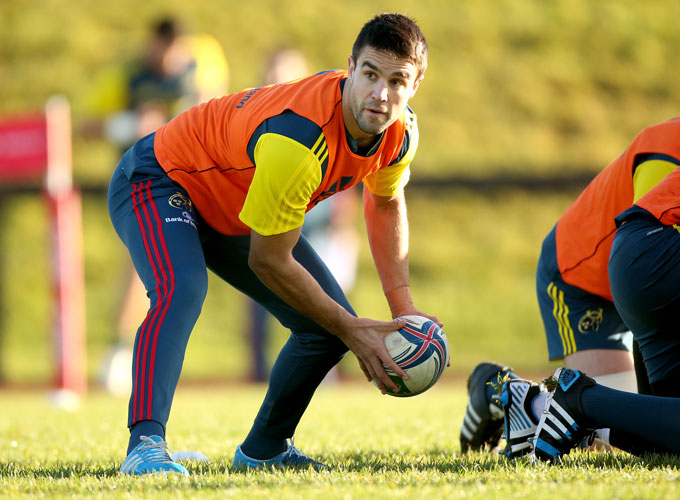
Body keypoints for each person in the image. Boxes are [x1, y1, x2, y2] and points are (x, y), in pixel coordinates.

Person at [110, 13, 438, 475]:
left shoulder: (401, 133)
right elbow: (268, 259)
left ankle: (264, 449)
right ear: (350, 67)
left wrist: (402, 308)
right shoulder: (298, 140)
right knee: (182, 290)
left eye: (397, 80)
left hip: (234, 202)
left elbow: (384, 204)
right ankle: (145, 446)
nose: (380, 94)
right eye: (369, 74)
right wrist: (353, 327)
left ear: (416, 85)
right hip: (159, 177)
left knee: (324, 328)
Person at [462, 117, 680, 460]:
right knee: (599, 433)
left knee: (649, 431)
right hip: (579, 278)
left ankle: (523, 399)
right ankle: (497, 390)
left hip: (636, 278)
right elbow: (651, 245)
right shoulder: (667, 145)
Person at [82, 16, 229, 395]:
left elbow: (215, 103)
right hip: (145, 183)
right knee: (142, 270)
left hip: (195, 179)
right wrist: (127, 124)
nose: (171, 56)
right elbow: (85, 124)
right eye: (166, 48)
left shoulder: (204, 58)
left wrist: (170, 120)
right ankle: (122, 352)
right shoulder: (127, 76)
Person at [246, 46, 360, 382]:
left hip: (319, 230)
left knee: (329, 286)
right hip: (273, 226)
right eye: (273, 75)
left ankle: (330, 370)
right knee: (258, 267)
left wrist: (342, 226)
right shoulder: (256, 117)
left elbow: (346, 186)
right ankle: (259, 371)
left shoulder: (327, 114)